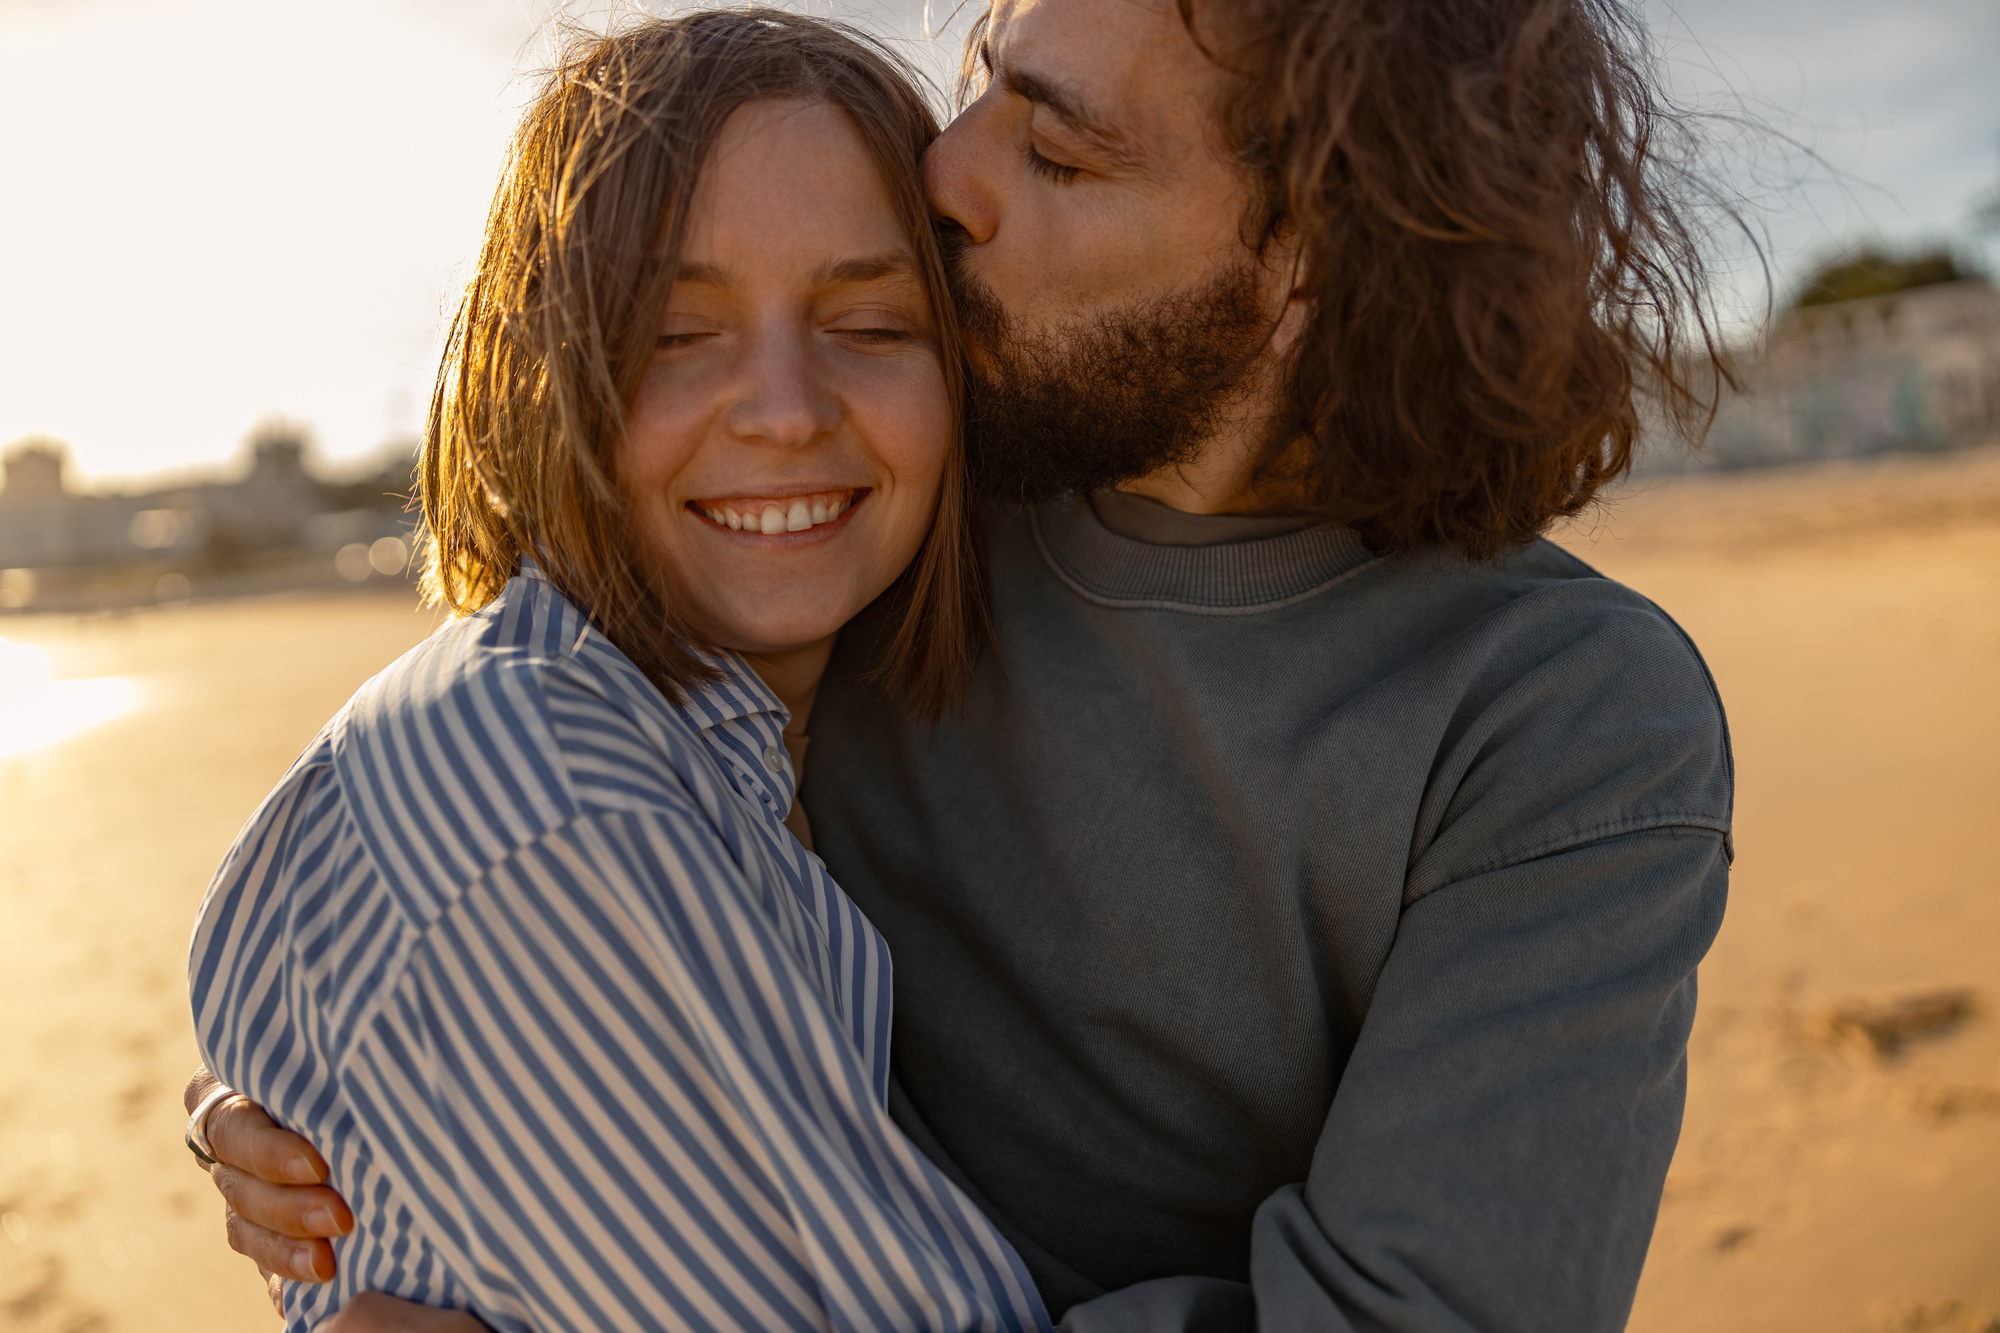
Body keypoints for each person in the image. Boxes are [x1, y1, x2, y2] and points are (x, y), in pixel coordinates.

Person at [192, 0, 1735, 1329]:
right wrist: (336, 1115)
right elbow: (531, 760)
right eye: (987, 76)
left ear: (1310, 263)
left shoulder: (1561, 716)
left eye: (1056, 152)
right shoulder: (899, 505)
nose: (947, 168)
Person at [185, 12, 1053, 1331]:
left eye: (869, 320)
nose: (785, 406)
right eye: (674, 333)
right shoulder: (549, 797)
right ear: (539, 374)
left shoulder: (718, 741)